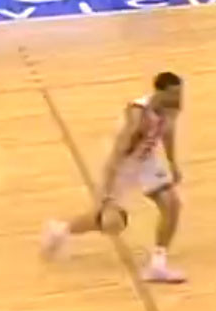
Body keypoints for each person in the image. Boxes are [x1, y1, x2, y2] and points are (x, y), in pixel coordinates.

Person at [41, 73, 187, 283]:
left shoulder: (171, 107)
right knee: (111, 223)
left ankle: (157, 265)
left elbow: (167, 132)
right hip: (122, 164)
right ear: (159, 93)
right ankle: (61, 230)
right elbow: (116, 155)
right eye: (174, 94)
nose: (178, 98)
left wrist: (173, 163)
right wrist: (106, 196)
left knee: (172, 205)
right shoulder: (138, 116)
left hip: (146, 160)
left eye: (180, 93)